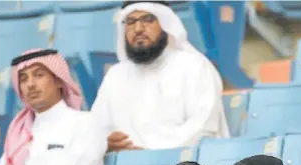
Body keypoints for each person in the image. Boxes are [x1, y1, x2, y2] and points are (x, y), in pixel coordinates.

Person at [92, 0, 229, 152]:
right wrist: (104, 143)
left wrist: (150, 155)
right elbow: (97, 127)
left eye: (148, 20)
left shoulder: (194, 67)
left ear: (166, 25)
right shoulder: (116, 76)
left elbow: (204, 128)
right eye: (130, 22)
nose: (138, 29)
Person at [0, 49, 106, 165]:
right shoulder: (17, 135)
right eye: (23, 79)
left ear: (59, 81)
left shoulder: (86, 124)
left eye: (39, 75)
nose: (30, 84)